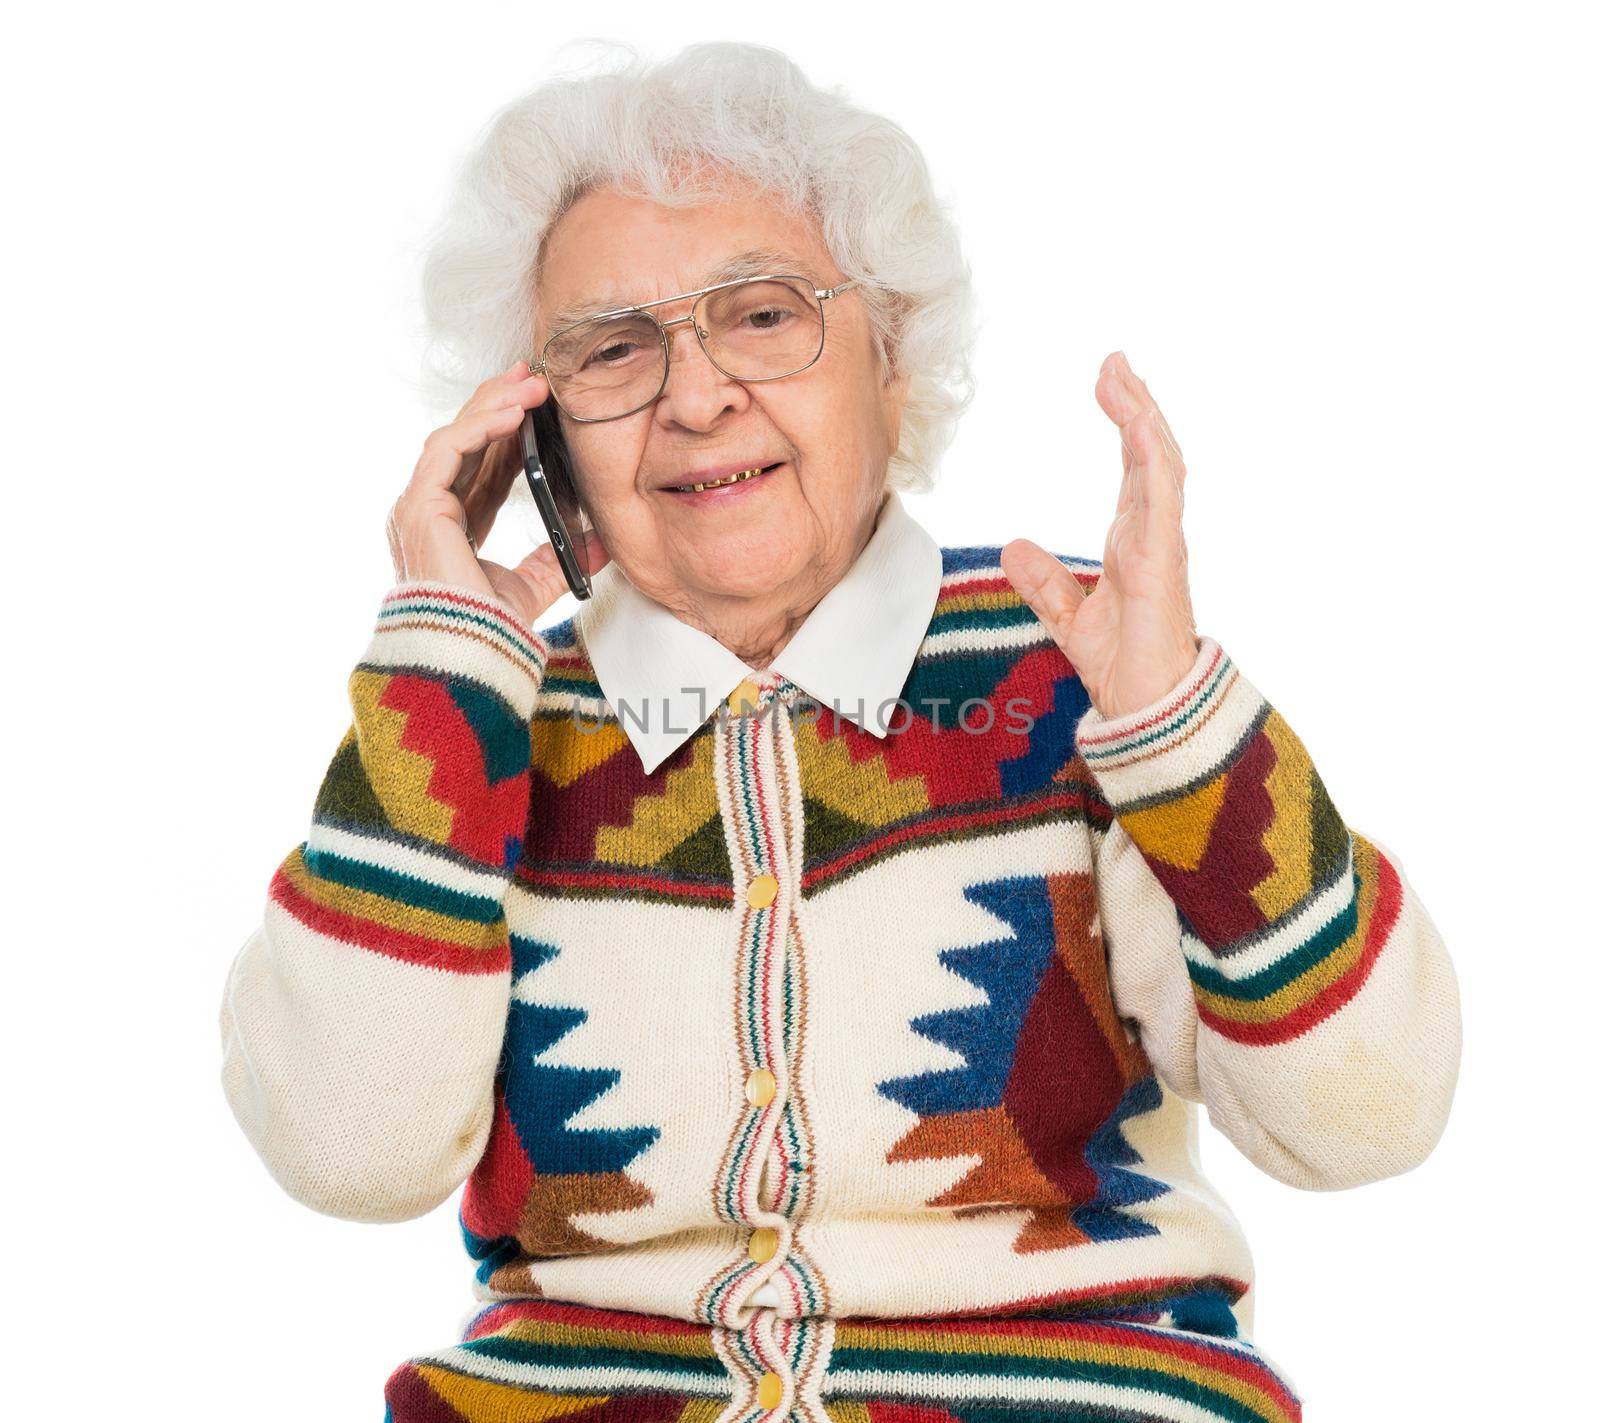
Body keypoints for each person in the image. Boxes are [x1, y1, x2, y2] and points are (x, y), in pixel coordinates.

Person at [217, 40, 1461, 1423]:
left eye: (761, 315)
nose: (694, 398)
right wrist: (443, 673)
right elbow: (351, 1152)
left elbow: (1367, 1118)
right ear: (539, 434)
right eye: (612, 348)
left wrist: (1179, 734)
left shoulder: (1085, 673)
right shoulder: (481, 726)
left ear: (891, 353)